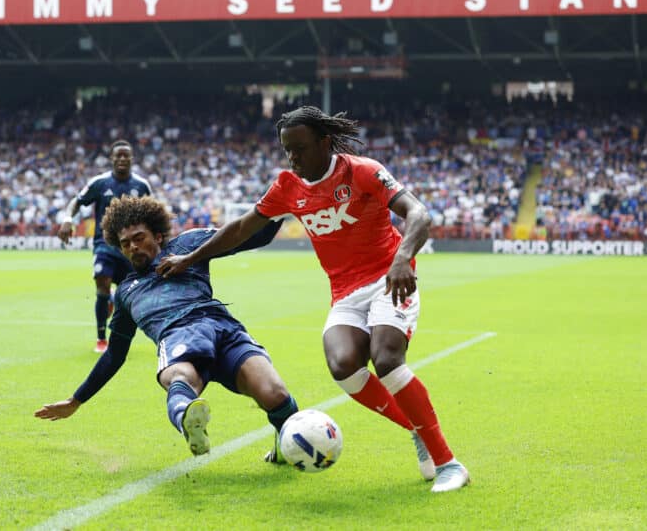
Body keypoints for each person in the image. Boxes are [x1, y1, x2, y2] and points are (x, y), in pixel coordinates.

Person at [157, 106, 469, 492]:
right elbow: (239, 229)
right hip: (345, 292)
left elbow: (417, 213)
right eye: (287, 150)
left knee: (387, 359)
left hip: (390, 279)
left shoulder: (362, 171)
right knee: (343, 366)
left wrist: (403, 258)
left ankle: (448, 464)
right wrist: (190, 258)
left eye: (300, 148)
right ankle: (418, 429)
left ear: (324, 142)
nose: (294, 158)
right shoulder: (288, 186)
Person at [36, 196, 298, 462]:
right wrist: (76, 400)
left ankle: (283, 444)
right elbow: (115, 354)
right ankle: (188, 416)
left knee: (275, 395)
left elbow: (253, 236)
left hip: (223, 328)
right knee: (180, 377)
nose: (133, 247)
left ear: (158, 235)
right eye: (125, 244)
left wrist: (280, 205)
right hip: (177, 338)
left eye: (139, 238)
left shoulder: (188, 244)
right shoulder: (126, 292)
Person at [58, 140, 152, 353]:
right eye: (117, 155)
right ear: (111, 158)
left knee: (127, 294)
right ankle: (101, 338)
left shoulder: (141, 185)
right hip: (104, 245)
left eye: (125, 156)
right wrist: (67, 219)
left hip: (131, 250)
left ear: (131, 159)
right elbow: (77, 201)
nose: (121, 159)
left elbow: (152, 214)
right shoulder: (99, 183)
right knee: (102, 282)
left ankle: (113, 301)